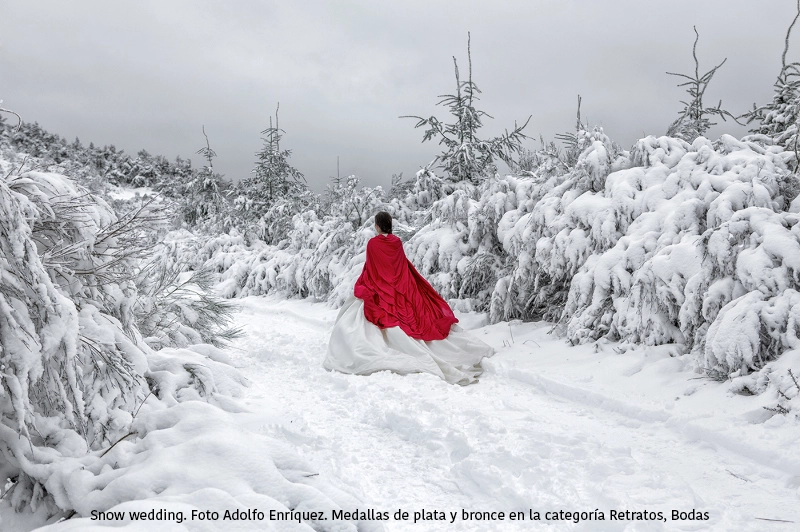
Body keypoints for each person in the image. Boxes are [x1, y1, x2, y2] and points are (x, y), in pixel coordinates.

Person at [323, 211, 495, 385]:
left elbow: (372, 268)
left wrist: (365, 285)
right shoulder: (396, 242)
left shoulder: (373, 244)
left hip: (381, 286)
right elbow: (399, 265)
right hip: (399, 285)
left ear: (377, 225)